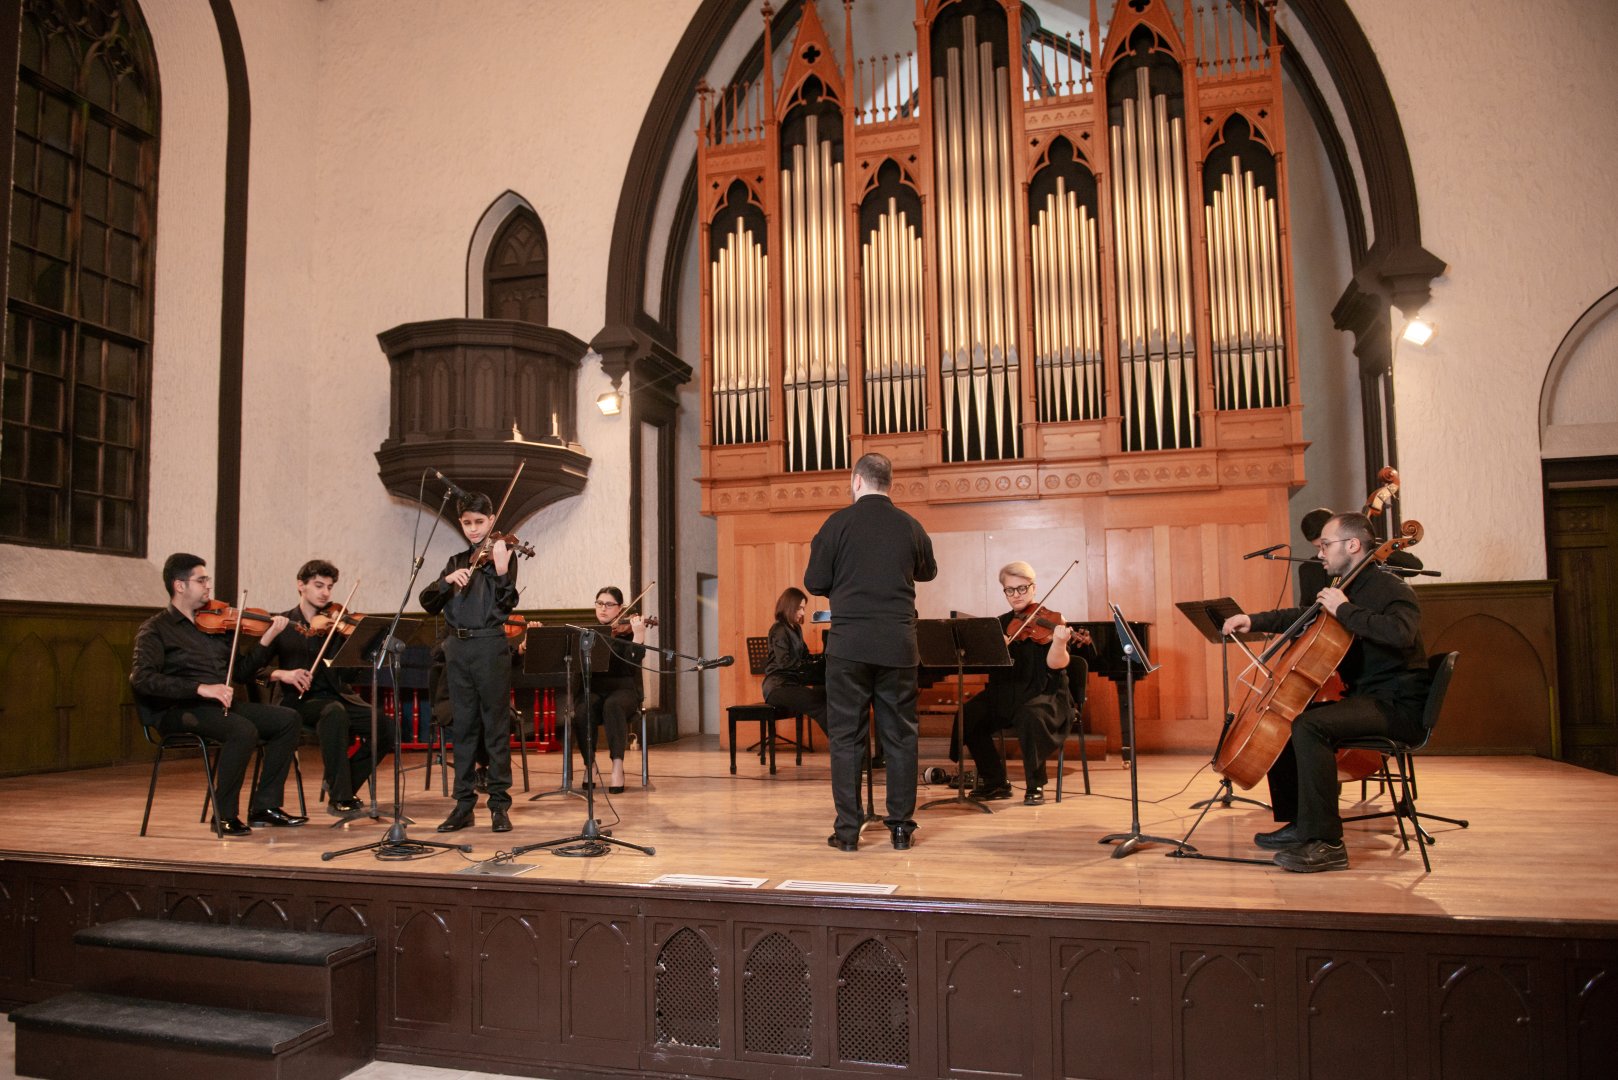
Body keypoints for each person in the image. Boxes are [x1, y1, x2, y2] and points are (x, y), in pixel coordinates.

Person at [1221, 511, 1431, 872]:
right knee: (1289, 720)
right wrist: (1252, 620)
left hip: (1398, 704)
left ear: (1353, 545)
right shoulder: (1345, 586)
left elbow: (1402, 634)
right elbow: (1303, 617)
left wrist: (1345, 610)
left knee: (1310, 725)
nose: (1320, 553)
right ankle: (1302, 824)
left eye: (1326, 545)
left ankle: (1327, 844)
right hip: (1369, 697)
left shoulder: (1389, 588)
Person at [804, 452, 937, 852]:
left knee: (847, 738)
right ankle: (901, 829)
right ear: (888, 483)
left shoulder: (836, 524)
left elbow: (815, 581)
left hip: (849, 647)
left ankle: (847, 833)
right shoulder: (910, 526)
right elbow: (927, 571)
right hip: (898, 645)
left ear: (857, 480)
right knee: (900, 737)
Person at [129, 553, 306, 836]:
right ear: (180, 586)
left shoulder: (214, 625)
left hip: (220, 707)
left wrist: (267, 639)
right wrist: (199, 688)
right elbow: (143, 678)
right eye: (201, 580)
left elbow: (242, 673)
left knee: (287, 720)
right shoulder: (155, 629)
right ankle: (223, 815)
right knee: (242, 730)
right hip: (179, 711)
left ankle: (264, 806)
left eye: (207, 579)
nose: (208, 586)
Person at [252, 559, 396, 815]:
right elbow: (254, 671)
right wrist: (281, 673)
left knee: (384, 726)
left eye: (329, 587)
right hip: (297, 700)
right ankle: (341, 797)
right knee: (333, 712)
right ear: (301, 585)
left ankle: (342, 783)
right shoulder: (283, 624)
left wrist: (360, 648)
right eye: (319, 585)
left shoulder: (336, 624)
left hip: (338, 696)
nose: (325, 593)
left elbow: (349, 675)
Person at [420, 492, 519, 833]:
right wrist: (446, 581)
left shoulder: (502, 555)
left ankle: (499, 805)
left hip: (490, 645)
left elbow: (506, 605)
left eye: (480, 522)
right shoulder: (455, 561)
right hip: (456, 649)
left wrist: (503, 570)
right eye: (467, 523)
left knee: (495, 728)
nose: (474, 529)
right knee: (463, 728)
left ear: (492, 521)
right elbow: (428, 602)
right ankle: (463, 805)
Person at [956, 561, 1073, 805]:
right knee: (969, 714)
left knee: (1030, 716)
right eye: (1010, 590)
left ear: (1033, 588)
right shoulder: (999, 623)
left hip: (1044, 693)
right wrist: (997, 651)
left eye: (1022, 588)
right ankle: (995, 782)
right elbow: (988, 667)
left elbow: (1056, 665)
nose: (1016, 595)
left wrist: (1060, 643)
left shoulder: (1053, 619)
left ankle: (1035, 784)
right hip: (1007, 691)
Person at [569, 586, 646, 794]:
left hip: (624, 690)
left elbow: (632, 666)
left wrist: (638, 637)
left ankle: (617, 766)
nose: (603, 608)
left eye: (609, 604)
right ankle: (589, 765)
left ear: (620, 608)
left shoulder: (629, 633)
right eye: (599, 603)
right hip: (594, 689)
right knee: (583, 708)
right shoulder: (587, 634)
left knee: (613, 705)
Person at [761, 586, 827, 735]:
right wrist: (812, 665)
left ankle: (844, 748)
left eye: (803, 608)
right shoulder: (778, 629)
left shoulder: (796, 629)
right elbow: (784, 662)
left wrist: (822, 659)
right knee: (819, 702)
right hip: (777, 687)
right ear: (789, 607)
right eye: (800, 608)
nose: (803, 612)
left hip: (792, 683)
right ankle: (842, 749)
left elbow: (805, 656)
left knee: (823, 696)